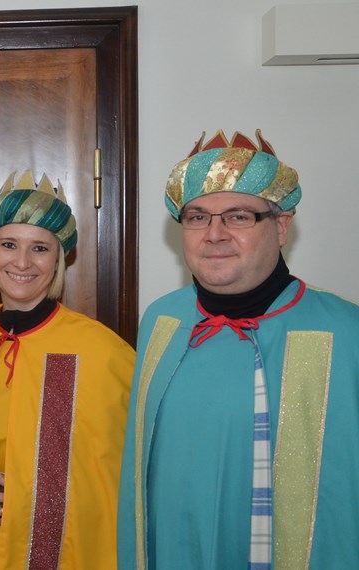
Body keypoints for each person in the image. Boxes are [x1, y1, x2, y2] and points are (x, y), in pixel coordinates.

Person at [118, 129, 359, 569]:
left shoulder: (345, 332)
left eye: (239, 216)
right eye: (197, 217)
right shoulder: (161, 322)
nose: (215, 234)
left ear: (281, 225)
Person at [0, 171, 135, 569]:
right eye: (8, 245)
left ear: (60, 258)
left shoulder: (103, 352)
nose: (21, 262)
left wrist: (27, 495)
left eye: (39, 248)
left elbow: (123, 482)